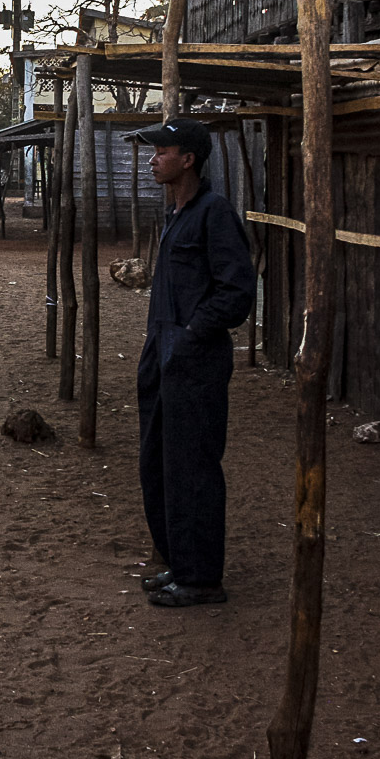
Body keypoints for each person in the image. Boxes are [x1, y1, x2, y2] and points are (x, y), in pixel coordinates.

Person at [131, 118, 255, 607]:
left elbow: (237, 292)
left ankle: (202, 579)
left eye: (163, 150)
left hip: (194, 361)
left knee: (193, 470)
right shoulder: (176, 216)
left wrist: (190, 335)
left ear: (188, 159)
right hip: (161, 357)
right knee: (158, 465)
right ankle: (179, 563)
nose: (154, 158)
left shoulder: (214, 214)